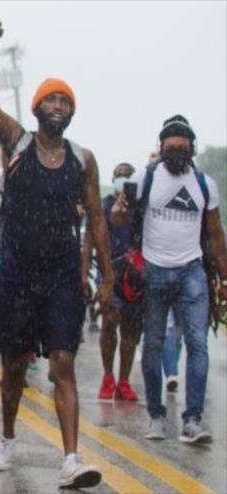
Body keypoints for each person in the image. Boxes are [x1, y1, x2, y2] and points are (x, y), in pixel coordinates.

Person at [0, 19, 113, 489]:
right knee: (14, 367)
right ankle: (8, 435)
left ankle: (71, 458)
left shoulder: (83, 159)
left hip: (61, 276)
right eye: (51, 99)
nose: (58, 105)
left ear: (72, 112)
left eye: (65, 100)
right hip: (15, 274)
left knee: (63, 361)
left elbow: (96, 218)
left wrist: (106, 276)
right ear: (36, 108)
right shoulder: (18, 141)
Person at [111, 115, 226, 444]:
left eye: (182, 149)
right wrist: (122, 206)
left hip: (193, 271)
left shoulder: (205, 184)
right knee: (154, 346)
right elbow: (118, 219)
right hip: (155, 270)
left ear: (192, 151)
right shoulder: (147, 178)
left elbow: (216, 235)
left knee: (198, 345)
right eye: (170, 149)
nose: (175, 155)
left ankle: (192, 420)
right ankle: (157, 416)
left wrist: (223, 277)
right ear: (160, 149)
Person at [82, 163, 142, 401]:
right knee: (109, 322)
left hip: (135, 276)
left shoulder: (141, 207)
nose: (123, 180)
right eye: (119, 176)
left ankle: (124, 381)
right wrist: (84, 273)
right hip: (109, 272)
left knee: (131, 329)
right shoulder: (103, 206)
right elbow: (89, 241)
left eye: (128, 176)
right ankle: (108, 376)